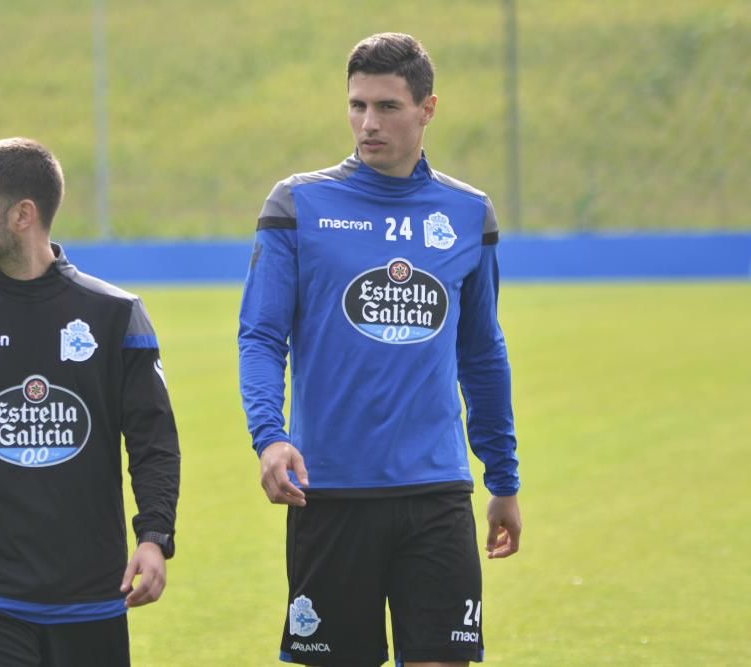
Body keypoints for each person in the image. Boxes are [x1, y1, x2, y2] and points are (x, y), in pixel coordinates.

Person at [238, 33, 522, 666]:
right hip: (331, 491)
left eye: (388, 107)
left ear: (427, 109)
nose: (368, 123)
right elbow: (261, 335)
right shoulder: (297, 205)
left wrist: (501, 477)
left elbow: (482, 353)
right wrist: (269, 435)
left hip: (436, 492)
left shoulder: (468, 214)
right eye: (357, 105)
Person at [0, 137, 180, 666]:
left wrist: (155, 535)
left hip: (92, 593)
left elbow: (153, 441)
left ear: (23, 214)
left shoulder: (115, 315)